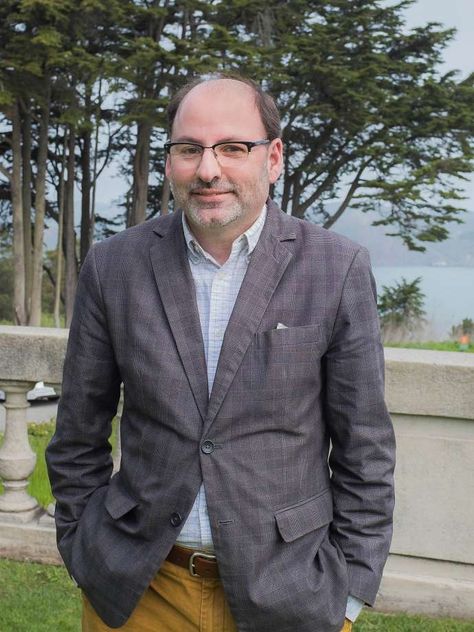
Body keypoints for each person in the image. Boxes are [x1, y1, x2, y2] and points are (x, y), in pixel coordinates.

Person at [46, 74, 395, 632]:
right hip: (141, 590)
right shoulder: (114, 266)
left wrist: (349, 590)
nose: (209, 169)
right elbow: (77, 433)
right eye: (190, 149)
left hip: (289, 590)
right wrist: (84, 550)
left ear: (273, 157)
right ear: (170, 161)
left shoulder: (337, 268)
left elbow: (365, 448)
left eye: (233, 147)